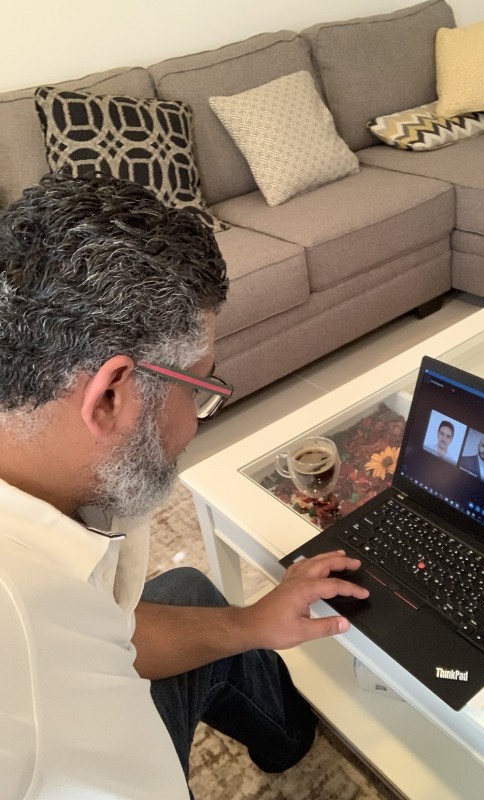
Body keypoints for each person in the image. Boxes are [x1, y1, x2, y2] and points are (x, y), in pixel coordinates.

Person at [0, 173, 370, 800]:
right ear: (110, 396)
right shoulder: (41, 688)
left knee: (190, 593)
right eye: (198, 389)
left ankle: (288, 738)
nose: (197, 422)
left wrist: (253, 623)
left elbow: (112, 632)